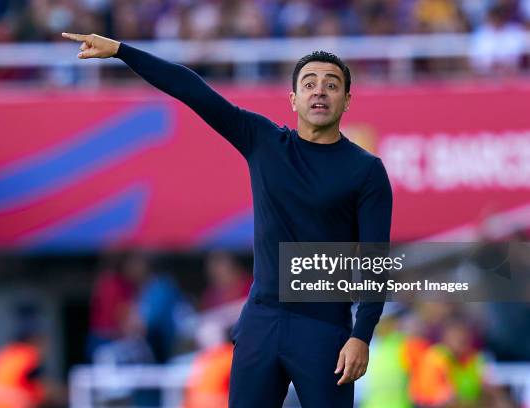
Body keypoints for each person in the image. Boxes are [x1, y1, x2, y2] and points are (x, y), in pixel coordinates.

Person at [61, 32, 392, 407]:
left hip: (324, 329)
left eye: (331, 85)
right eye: (309, 84)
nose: (319, 92)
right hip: (261, 322)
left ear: (346, 100)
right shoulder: (264, 141)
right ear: (293, 99)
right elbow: (192, 90)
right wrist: (122, 51)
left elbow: (374, 261)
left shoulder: (366, 171)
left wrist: (361, 335)